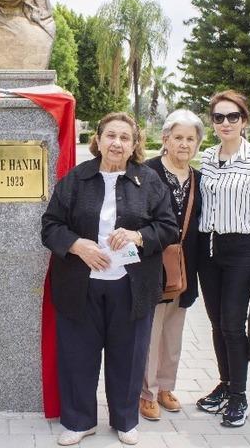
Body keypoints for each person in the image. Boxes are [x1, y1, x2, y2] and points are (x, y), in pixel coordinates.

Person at [41, 112, 178, 446]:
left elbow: (169, 227)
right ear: (98, 140)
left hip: (133, 285)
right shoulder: (76, 179)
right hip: (80, 283)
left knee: (128, 355)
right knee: (78, 354)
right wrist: (76, 245)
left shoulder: (149, 181)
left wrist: (138, 236)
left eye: (125, 138)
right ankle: (79, 421)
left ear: (134, 145)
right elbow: (50, 226)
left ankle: (125, 420)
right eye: (111, 136)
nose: (117, 143)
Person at [195, 90, 250, 427]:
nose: (225, 123)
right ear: (212, 122)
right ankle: (226, 382)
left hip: (241, 250)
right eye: (219, 117)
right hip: (208, 249)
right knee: (217, 323)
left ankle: (239, 396)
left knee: (233, 324)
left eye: (233, 117)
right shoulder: (204, 158)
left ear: (244, 121)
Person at [140, 109, 204, 421]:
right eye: (177, 137)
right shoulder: (146, 172)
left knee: (173, 332)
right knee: (151, 330)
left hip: (183, 268)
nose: (183, 144)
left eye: (190, 139)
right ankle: (147, 392)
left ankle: (166, 386)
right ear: (165, 140)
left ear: (197, 145)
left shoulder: (198, 178)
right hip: (152, 265)